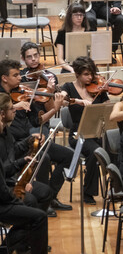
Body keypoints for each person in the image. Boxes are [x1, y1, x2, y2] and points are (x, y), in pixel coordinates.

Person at [0, 59, 70, 216]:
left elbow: (36, 121)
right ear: (4, 78)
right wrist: (14, 107)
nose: (20, 78)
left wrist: (54, 109)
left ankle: (50, 196)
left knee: (68, 155)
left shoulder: (23, 93)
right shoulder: (3, 100)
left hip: (26, 140)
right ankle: (41, 202)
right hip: (13, 145)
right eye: (16, 75)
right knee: (43, 158)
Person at [0, 93, 48, 254]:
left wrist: (28, 141)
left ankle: (25, 241)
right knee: (33, 207)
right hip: (6, 189)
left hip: (9, 183)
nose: (15, 110)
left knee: (45, 193)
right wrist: (18, 187)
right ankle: (14, 245)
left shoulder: (6, 131)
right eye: (11, 108)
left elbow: (13, 151)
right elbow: (4, 172)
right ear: (2, 114)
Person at [59, 56, 109, 204]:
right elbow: (62, 99)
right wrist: (80, 101)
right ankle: (88, 192)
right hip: (78, 134)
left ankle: (116, 188)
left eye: (92, 73)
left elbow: (107, 108)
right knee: (95, 152)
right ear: (77, 74)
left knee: (114, 147)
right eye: (86, 74)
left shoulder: (98, 89)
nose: (90, 77)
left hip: (97, 131)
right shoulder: (68, 87)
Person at [54, 2, 90, 73]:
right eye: (76, 15)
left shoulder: (88, 31)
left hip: (86, 66)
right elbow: (60, 59)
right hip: (69, 67)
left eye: (81, 15)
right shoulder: (62, 33)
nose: (79, 18)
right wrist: (71, 70)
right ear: (70, 16)